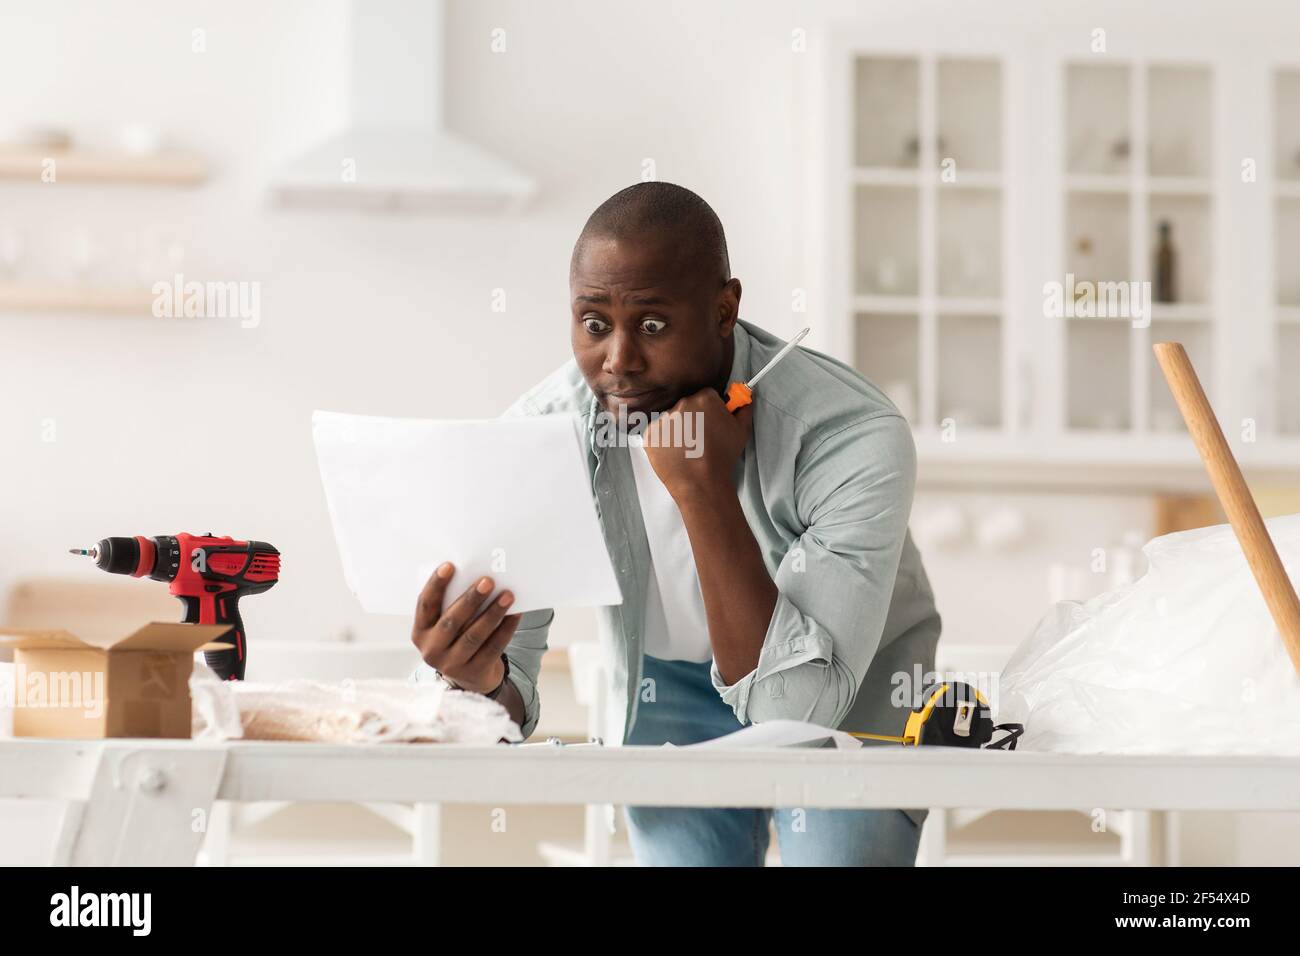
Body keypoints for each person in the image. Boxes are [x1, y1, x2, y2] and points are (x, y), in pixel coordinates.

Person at [411, 181, 941, 866]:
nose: (620, 360)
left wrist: (701, 490)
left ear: (725, 310)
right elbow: (506, 710)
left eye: (653, 325)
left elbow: (797, 712)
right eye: (594, 323)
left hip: (853, 684)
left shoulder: (850, 435)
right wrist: (477, 683)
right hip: (666, 685)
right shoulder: (543, 436)